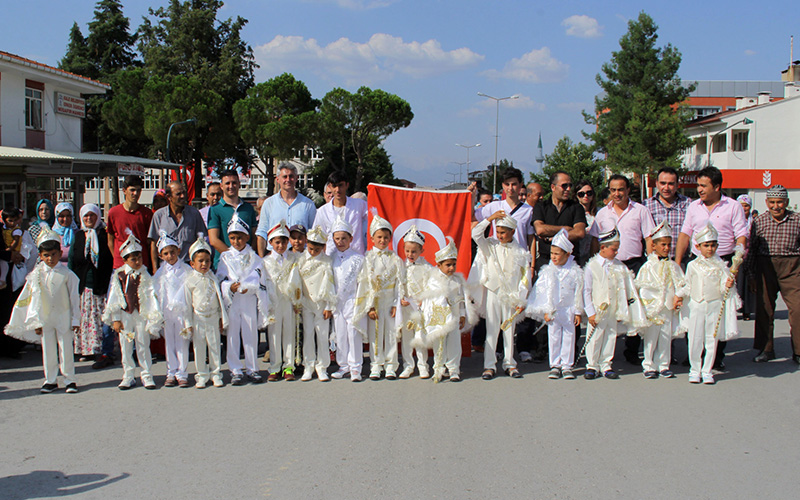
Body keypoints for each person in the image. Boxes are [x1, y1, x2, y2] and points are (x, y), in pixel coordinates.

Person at [675, 166, 748, 370]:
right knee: (694, 308)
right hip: (697, 262)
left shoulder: (733, 206)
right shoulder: (693, 207)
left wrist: (737, 259)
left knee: (718, 310)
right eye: (698, 185)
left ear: (717, 186)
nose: (699, 189)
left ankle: (716, 357)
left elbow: (741, 234)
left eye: (703, 185)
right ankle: (694, 356)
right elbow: (685, 234)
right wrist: (678, 263)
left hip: (721, 262)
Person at [4, 227, 81, 393]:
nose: (50, 258)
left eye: (53, 254)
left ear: (60, 254)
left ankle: (70, 379)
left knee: (66, 347)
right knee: (48, 349)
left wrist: (75, 319)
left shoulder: (68, 274)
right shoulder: (36, 275)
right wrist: (35, 320)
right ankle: (50, 380)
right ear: (40, 256)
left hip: (63, 316)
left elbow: (74, 298)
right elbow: (31, 300)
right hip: (45, 318)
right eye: (46, 255)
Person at [589, 174, 655, 365]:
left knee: (634, 306)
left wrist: (650, 263)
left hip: (633, 264)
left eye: (620, 189)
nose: (616, 194)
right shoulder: (602, 213)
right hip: (608, 267)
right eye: (613, 190)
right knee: (608, 307)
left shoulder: (641, 211)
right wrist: (595, 263)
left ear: (627, 190)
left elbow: (648, 238)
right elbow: (595, 240)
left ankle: (632, 350)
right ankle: (603, 352)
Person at [469, 212, 531, 380]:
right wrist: (489, 219)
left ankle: (510, 364)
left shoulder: (521, 252)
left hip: (511, 296)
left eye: (503, 232)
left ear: (512, 231)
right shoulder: (490, 245)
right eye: (498, 231)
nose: (500, 235)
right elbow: (475, 234)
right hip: (493, 293)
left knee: (509, 331)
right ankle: (489, 365)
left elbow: (525, 278)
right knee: (492, 329)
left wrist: (521, 298)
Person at [582, 227, 647, 380]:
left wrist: (622, 310)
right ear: (603, 248)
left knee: (610, 336)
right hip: (598, 310)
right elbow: (586, 291)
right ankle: (592, 365)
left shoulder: (620, 266)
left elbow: (626, 289)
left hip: (613, 309)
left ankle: (606, 364)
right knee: (595, 337)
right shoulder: (592, 266)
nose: (616, 252)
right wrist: (590, 312)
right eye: (614, 249)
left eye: (617, 249)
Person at [745, 185, 800, 364]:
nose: (776, 206)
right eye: (772, 202)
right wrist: (751, 275)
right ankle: (766, 349)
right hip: (765, 266)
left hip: (792, 268)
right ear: (767, 203)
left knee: (797, 310)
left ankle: (798, 351)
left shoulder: (797, 220)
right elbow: (751, 249)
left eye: (780, 202)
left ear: (787, 202)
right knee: (765, 310)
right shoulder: (759, 221)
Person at [102, 231, 163, 390]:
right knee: (126, 345)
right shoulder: (119, 275)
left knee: (143, 344)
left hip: (141, 315)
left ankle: (146, 374)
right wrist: (116, 318)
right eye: (133, 259)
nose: (137, 261)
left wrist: (152, 316)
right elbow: (115, 297)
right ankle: (128, 375)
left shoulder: (145, 275)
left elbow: (151, 296)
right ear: (125, 260)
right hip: (125, 315)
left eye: (139, 258)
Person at [682, 223, 739, 385]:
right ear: (698, 246)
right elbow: (688, 285)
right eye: (706, 245)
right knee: (695, 338)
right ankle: (695, 370)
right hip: (697, 305)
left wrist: (728, 284)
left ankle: (707, 370)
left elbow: (723, 288)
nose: (710, 248)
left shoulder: (721, 265)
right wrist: (679, 296)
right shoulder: (693, 265)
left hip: (714, 305)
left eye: (713, 245)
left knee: (711, 339)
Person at [526, 229, 584, 380]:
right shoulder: (548, 271)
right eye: (552, 254)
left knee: (569, 337)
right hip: (554, 310)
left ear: (567, 254)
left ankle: (567, 365)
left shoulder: (574, 271)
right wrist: (546, 309)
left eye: (557, 254)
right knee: (554, 336)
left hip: (569, 310)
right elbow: (542, 291)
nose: (554, 257)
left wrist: (578, 311)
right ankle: (555, 364)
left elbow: (579, 292)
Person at [354, 212, 405, 380]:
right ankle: (376, 365)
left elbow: (400, 283)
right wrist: (369, 306)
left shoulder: (396, 259)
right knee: (376, 334)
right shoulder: (367, 258)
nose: (382, 241)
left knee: (390, 334)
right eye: (379, 237)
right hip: (374, 303)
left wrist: (396, 303)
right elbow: (364, 284)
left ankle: (391, 365)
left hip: (390, 301)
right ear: (372, 238)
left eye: (385, 237)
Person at [216, 215, 266, 385]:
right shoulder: (225, 257)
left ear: (247, 237)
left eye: (239, 237)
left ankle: (252, 368)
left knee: (251, 334)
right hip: (233, 301)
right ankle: (235, 369)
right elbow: (220, 278)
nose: (236, 241)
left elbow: (258, 276)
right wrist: (229, 286)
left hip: (248, 299)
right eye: (232, 238)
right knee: (232, 335)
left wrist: (248, 286)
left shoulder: (254, 257)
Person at [634, 221, 687, 379]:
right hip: (652, 309)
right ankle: (649, 363)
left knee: (665, 337)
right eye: (662, 244)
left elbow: (681, 284)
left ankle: (663, 364)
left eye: (668, 245)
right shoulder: (647, 267)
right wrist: (647, 306)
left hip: (667, 307)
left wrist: (679, 296)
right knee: (651, 337)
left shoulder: (673, 266)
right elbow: (642, 288)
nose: (666, 248)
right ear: (654, 245)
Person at [422, 238, 475, 383]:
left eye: (453, 264)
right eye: (448, 265)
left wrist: (463, 315)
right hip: (439, 319)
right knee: (439, 344)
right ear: (439, 265)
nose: (451, 268)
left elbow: (461, 299)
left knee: (454, 344)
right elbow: (431, 300)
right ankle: (438, 369)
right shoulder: (433, 280)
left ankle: (453, 369)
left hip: (454, 317)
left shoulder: (457, 281)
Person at [68, 204, 113, 362]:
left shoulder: (104, 235)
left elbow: (109, 258)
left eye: (92, 215)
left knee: (100, 318)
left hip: (100, 283)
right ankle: (85, 350)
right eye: (86, 216)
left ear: (97, 216)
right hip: (83, 285)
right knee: (85, 318)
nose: (89, 219)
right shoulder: (79, 235)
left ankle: (101, 350)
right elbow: (72, 261)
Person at [183, 236, 228, 388]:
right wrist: (188, 323)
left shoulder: (213, 279)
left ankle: (216, 373)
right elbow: (187, 304)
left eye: (207, 261)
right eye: (200, 261)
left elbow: (219, 299)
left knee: (215, 346)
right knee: (199, 348)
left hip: (213, 318)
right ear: (192, 263)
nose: (204, 264)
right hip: (198, 319)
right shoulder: (189, 281)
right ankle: (201, 375)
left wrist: (222, 318)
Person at [262, 220, 302, 382]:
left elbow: (298, 282)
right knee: (273, 335)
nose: (281, 245)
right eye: (277, 242)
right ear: (270, 242)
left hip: (288, 303)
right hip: (273, 303)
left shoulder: (294, 258)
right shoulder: (265, 262)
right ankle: (274, 367)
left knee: (289, 333)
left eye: (284, 241)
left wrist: (297, 302)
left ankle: (288, 366)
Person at [153, 230, 193, 388]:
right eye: (166, 253)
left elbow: (189, 290)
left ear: (178, 251)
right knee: (169, 342)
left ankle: (182, 373)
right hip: (167, 313)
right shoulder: (160, 273)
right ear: (161, 256)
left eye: (172, 252)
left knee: (182, 342)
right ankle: (171, 371)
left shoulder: (186, 270)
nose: (170, 256)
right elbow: (155, 292)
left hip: (182, 312)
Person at [297, 225, 336, 382]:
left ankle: (322, 366)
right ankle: (308, 366)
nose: (313, 252)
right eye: (311, 248)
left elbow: (330, 284)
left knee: (321, 335)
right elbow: (297, 283)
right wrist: (298, 301)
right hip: (307, 303)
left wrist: (329, 306)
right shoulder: (300, 260)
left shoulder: (327, 261)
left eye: (317, 249)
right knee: (308, 334)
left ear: (323, 247)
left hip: (321, 304)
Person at [330, 217, 366, 381]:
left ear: (351, 239)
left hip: (352, 301)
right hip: (337, 303)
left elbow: (362, 283)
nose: (340, 242)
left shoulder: (358, 259)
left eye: (344, 238)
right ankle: (343, 365)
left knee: (353, 333)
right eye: (337, 238)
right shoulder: (330, 258)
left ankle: (356, 367)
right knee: (340, 334)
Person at [256, 163, 316, 256]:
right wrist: (261, 259)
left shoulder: (308, 204)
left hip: (300, 256)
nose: (288, 180)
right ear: (277, 179)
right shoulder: (269, 204)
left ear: (296, 178)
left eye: (291, 176)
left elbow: (313, 233)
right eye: (284, 176)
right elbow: (262, 233)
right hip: (275, 257)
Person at [397, 225, 432, 379]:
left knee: (420, 337)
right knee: (407, 338)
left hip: (420, 308)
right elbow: (397, 284)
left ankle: (423, 366)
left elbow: (430, 287)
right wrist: (401, 299)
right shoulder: (401, 266)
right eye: (407, 251)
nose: (410, 254)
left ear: (421, 251)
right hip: (405, 308)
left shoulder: (427, 267)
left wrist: (422, 301)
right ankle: (408, 365)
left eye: (414, 251)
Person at [148, 180, 207, 270]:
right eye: (178, 194)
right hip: (166, 268)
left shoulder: (194, 214)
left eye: (183, 193)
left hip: (189, 267)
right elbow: (153, 244)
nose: (182, 196)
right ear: (169, 197)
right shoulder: (159, 216)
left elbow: (202, 240)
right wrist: (155, 269)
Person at [473, 168, 536, 251]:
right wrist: (472, 196)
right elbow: (472, 217)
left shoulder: (528, 210)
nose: (510, 188)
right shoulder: (494, 206)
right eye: (507, 184)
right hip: (499, 256)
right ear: (503, 185)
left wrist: (532, 262)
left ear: (520, 185)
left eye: (514, 184)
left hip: (520, 257)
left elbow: (531, 238)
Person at [208, 170, 257, 268]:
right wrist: (234, 257)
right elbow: (213, 240)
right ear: (221, 186)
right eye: (227, 183)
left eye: (234, 183)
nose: (231, 186)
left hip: (247, 263)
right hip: (224, 264)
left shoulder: (248, 208)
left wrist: (248, 255)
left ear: (239, 184)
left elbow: (254, 236)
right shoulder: (215, 209)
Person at [314, 171, 368, 256]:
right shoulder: (322, 211)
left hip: (356, 258)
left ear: (347, 185)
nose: (338, 190)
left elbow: (376, 214)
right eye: (334, 186)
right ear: (330, 187)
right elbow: (317, 238)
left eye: (340, 185)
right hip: (332, 259)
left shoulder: (359, 204)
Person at [107, 175, 154, 273]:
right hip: (120, 265)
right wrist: (118, 257)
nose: (135, 193)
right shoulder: (113, 213)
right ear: (124, 191)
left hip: (141, 264)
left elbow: (150, 241)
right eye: (132, 190)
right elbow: (110, 240)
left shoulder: (146, 213)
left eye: (138, 190)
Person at [643, 167, 691, 260]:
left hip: (680, 261)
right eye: (663, 183)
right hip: (655, 261)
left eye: (671, 184)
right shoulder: (646, 205)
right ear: (657, 183)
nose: (666, 188)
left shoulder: (688, 204)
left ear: (677, 185)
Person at [736, 194, 756, 320]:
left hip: (750, 256)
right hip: (737, 256)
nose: (744, 208)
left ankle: (747, 311)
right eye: (741, 206)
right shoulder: (734, 219)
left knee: (748, 284)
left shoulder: (754, 222)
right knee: (738, 284)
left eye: (746, 206)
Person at [574, 180, 597, 266]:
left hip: (594, 256)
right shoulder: (572, 212)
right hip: (577, 256)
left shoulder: (599, 213)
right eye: (581, 194)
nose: (585, 196)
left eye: (589, 193)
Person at [1, 207, 24, 290]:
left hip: (12, 253)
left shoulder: (16, 230)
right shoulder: (4, 228)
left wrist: (9, 251)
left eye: (15, 220)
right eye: (10, 221)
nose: (13, 223)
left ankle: (2, 280)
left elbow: (15, 241)